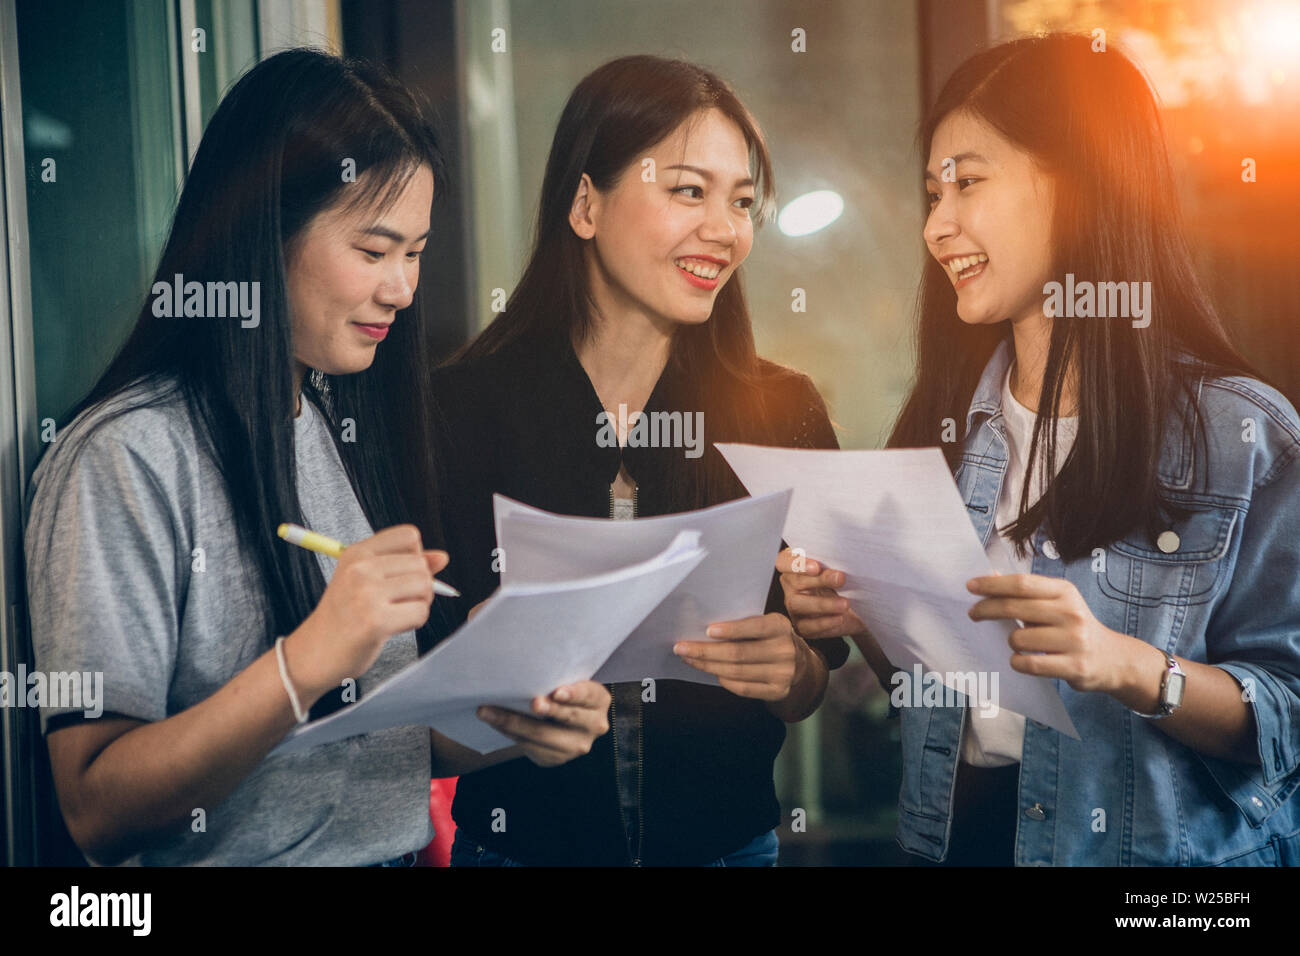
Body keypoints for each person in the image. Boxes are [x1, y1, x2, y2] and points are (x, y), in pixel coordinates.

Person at [25, 48, 609, 867]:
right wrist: (309, 660)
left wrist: (511, 719)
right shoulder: (127, 455)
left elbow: (361, 765)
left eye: (415, 252)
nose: (404, 289)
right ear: (262, 233)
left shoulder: (331, 423)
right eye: (373, 252)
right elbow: (97, 804)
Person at [779, 33, 1300, 866]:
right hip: (953, 841)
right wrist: (862, 614)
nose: (935, 226)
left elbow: (1288, 715)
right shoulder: (943, 422)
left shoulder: (1243, 435)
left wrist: (1131, 667)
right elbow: (944, 696)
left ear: (1084, 185)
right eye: (930, 193)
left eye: (968, 183)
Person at [431, 54, 850, 867]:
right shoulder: (459, 407)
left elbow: (813, 681)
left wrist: (791, 666)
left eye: (741, 202)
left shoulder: (781, 410)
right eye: (688, 191)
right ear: (585, 204)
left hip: (728, 848)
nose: (725, 231)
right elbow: (416, 687)